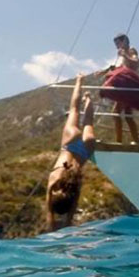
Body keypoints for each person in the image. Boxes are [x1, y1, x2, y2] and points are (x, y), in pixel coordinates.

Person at [45, 73, 95, 231]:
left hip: (85, 150)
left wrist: (65, 224)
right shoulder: (54, 181)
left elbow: (69, 218)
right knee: (74, 110)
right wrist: (50, 226)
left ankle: (89, 99)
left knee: (88, 121)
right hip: (70, 143)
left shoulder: (74, 189)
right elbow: (49, 214)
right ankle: (79, 80)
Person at [110, 33, 139, 145]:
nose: (116, 46)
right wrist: (106, 71)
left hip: (128, 86)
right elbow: (122, 67)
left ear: (124, 41)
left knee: (115, 113)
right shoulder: (125, 54)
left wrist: (125, 55)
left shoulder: (131, 50)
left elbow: (136, 62)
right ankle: (136, 141)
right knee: (128, 116)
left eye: (117, 43)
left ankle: (119, 141)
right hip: (127, 86)